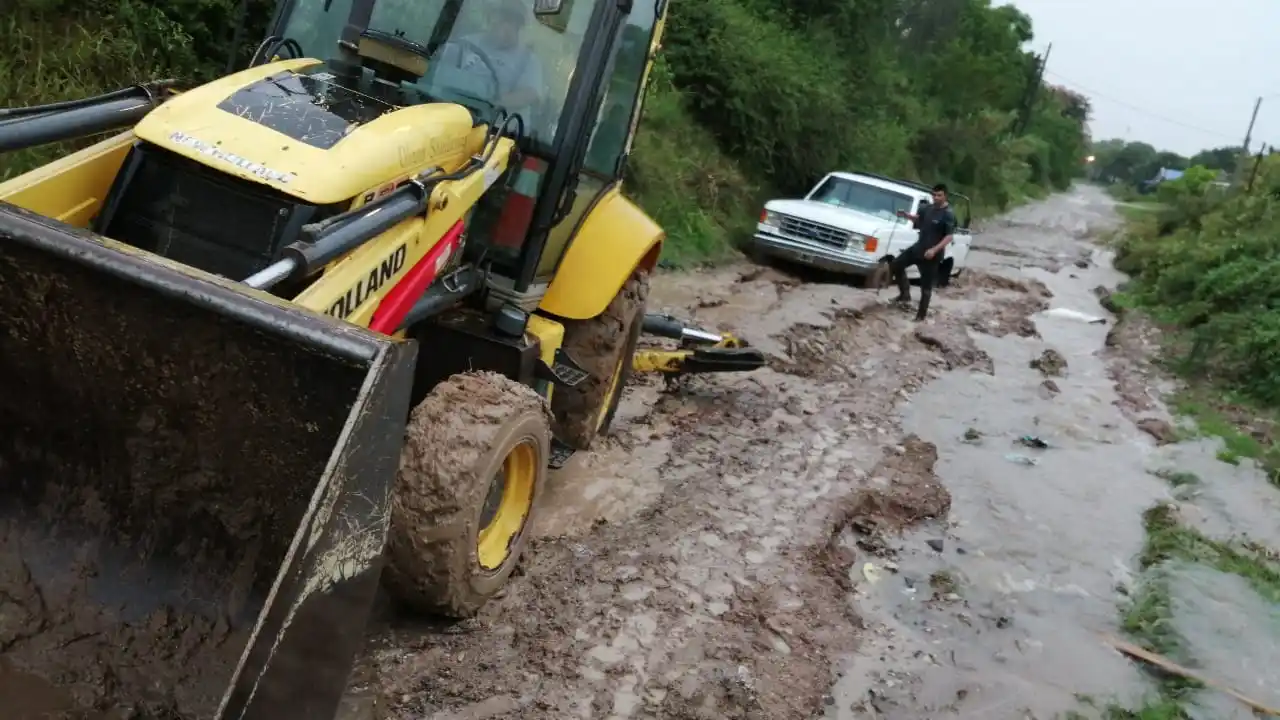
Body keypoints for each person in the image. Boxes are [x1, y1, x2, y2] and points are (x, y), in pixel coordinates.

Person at [453, 1, 544, 112]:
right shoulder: (466, 43)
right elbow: (442, 72)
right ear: (490, 18)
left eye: (511, 21)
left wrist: (490, 104)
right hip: (454, 111)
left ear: (519, 26)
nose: (505, 25)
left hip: (497, 124)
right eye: (501, 18)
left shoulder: (528, 60)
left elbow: (528, 94)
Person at [890, 183, 956, 322]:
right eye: (934, 195)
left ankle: (920, 317)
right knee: (896, 265)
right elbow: (919, 219)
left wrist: (934, 250)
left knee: (926, 287)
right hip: (918, 248)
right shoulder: (927, 208)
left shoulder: (948, 214)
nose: (936, 198)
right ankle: (904, 295)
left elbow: (949, 236)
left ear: (945, 196)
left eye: (939, 195)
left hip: (932, 255)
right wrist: (906, 215)